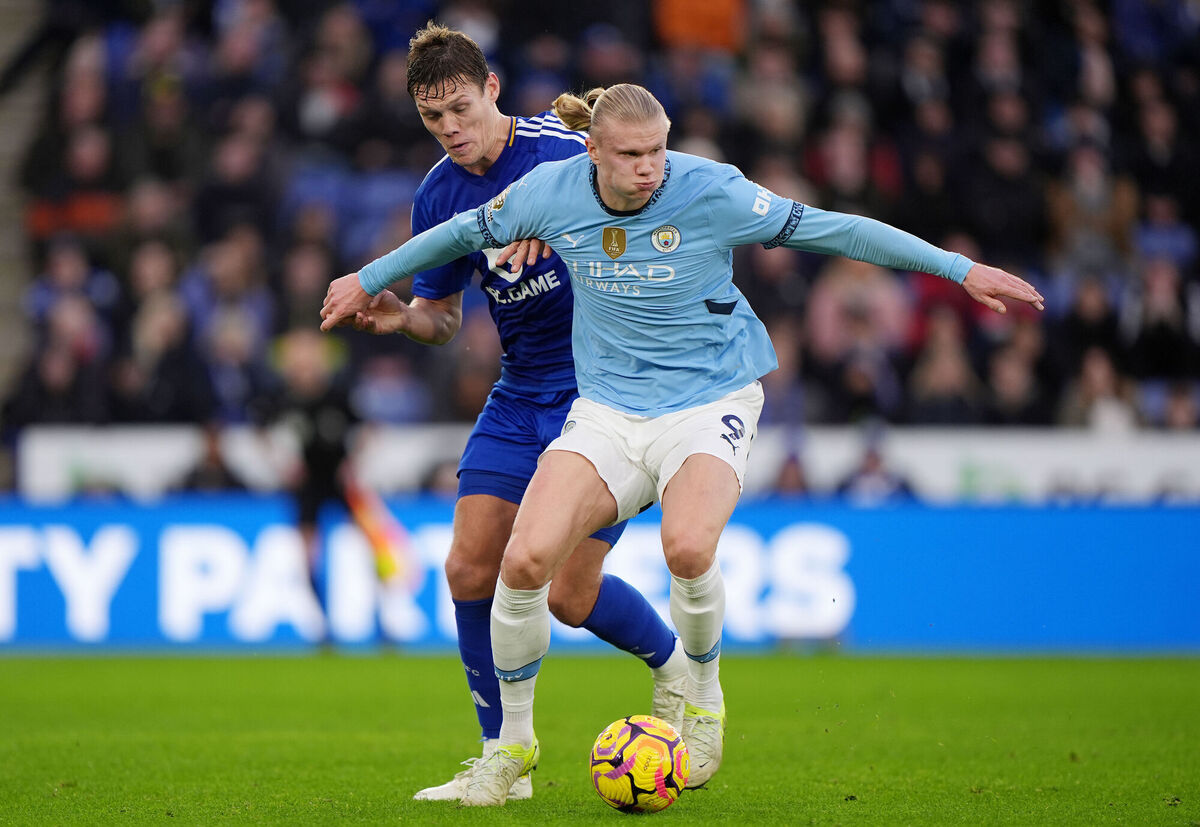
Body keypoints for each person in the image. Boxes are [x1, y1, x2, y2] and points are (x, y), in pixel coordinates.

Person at [321, 83, 1045, 805]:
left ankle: (701, 704)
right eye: (631, 155)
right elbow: (454, 237)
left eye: (657, 151)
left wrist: (960, 270)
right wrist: (367, 278)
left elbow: (840, 229)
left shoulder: (709, 190)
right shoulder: (552, 192)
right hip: (607, 408)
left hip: (709, 400)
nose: (649, 169)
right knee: (524, 561)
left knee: (688, 548)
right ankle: (510, 749)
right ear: (594, 153)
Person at [346, 26, 686, 802]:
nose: (452, 129)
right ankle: (505, 760)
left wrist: (564, 226)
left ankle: (676, 667)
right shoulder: (437, 192)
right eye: (434, 119)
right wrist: (403, 317)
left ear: (492, 87)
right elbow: (440, 317)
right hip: (520, 390)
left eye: (461, 108)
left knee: (568, 596)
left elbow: (657, 215)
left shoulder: (565, 149)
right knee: (468, 564)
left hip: (605, 391)